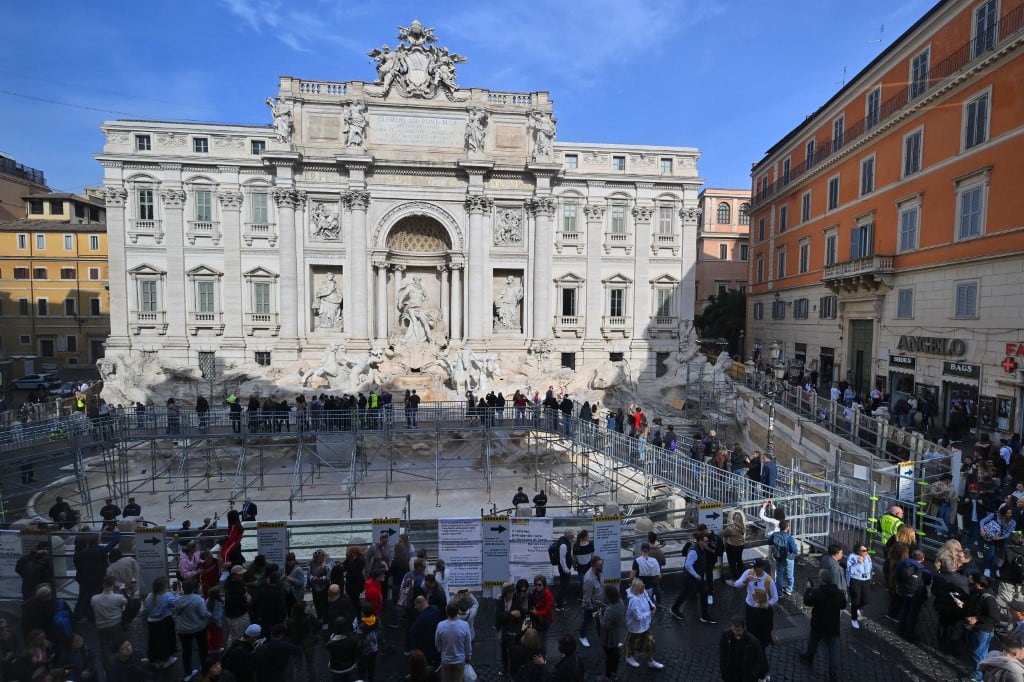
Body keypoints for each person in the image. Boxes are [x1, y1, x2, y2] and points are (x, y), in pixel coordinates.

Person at [798, 569, 846, 682]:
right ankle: (833, 674)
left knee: (813, 642)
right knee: (833, 650)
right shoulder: (838, 593)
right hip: (833, 625)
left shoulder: (817, 592)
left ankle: (809, 656)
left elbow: (807, 601)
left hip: (818, 623)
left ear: (823, 580)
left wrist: (808, 589)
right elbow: (843, 605)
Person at [671, 533, 715, 623]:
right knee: (684, 594)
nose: (708, 543)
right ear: (700, 541)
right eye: (706, 541)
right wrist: (696, 575)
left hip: (698, 577)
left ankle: (705, 616)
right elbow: (688, 565)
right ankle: (674, 609)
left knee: (704, 592)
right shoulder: (694, 551)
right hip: (691, 578)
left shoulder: (702, 549)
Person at [964, 573, 1001, 681]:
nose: (969, 581)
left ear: (978, 584)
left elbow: (995, 618)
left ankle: (977, 677)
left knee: (979, 654)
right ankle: (976, 673)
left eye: (972, 580)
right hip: (977, 628)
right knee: (977, 653)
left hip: (984, 630)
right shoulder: (977, 592)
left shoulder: (988, 598)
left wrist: (977, 618)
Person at [623, 578, 664, 670]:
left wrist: (653, 606)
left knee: (650, 642)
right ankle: (628, 657)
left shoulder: (642, 591)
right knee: (632, 643)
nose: (644, 587)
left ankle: (651, 661)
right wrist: (650, 612)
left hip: (645, 625)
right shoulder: (633, 601)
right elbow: (638, 617)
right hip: (636, 628)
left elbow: (648, 599)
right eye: (642, 587)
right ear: (637, 589)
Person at [895, 549, 931, 641]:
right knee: (913, 614)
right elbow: (927, 582)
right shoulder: (924, 571)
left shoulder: (902, 563)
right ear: (922, 559)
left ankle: (900, 627)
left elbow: (896, 575)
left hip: (904, 591)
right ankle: (909, 633)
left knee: (905, 608)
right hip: (917, 595)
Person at [718, 615, 767, 682]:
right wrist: (723, 670)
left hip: (745, 676)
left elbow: (760, 659)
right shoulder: (726, 635)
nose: (735, 632)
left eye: (738, 630)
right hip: (730, 674)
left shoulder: (753, 641)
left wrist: (753, 675)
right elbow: (722, 653)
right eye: (734, 629)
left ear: (744, 628)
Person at [434, 601, 472, 682]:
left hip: (446, 660)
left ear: (446, 612)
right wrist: (468, 656)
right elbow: (468, 643)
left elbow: (437, 642)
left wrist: (441, 650)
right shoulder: (465, 625)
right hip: (460, 660)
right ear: (458, 612)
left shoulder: (440, 625)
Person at [598, 583, 624, 680]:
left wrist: (600, 615)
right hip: (616, 634)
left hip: (608, 638)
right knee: (615, 654)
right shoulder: (620, 602)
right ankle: (614, 672)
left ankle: (608, 675)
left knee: (609, 657)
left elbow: (604, 625)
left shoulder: (610, 611)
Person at [846, 542, 873, 629]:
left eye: (867, 550)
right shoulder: (852, 557)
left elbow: (870, 567)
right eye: (864, 550)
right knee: (855, 601)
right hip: (855, 580)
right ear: (858, 551)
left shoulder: (868, 556)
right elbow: (851, 571)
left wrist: (870, 578)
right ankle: (854, 619)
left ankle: (858, 607)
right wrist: (858, 563)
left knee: (866, 600)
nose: (866, 552)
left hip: (866, 580)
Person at [578, 555, 602, 648]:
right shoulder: (589, 579)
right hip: (591, 606)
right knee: (587, 620)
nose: (601, 566)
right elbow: (587, 596)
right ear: (594, 565)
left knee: (599, 621)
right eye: (599, 565)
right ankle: (582, 636)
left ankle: (603, 636)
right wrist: (591, 607)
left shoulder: (597, 572)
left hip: (598, 604)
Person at [326, 617, 359, 682]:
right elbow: (356, 653)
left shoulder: (330, 643)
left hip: (336, 669)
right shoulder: (352, 639)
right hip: (350, 666)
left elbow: (328, 647)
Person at [769, 520, 798, 596]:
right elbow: (795, 550)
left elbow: (769, 542)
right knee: (790, 575)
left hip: (779, 557)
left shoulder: (774, 534)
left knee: (779, 575)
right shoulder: (790, 538)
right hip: (789, 558)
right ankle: (789, 589)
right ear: (787, 528)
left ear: (779, 527)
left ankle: (779, 591)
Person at [722, 510, 748, 584]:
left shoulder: (729, 529)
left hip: (731, 547)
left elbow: (723, 534)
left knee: (732, 563)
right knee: (739, 561)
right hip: (740, 546)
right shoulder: (743, 527)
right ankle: (743, 578)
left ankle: (735, 579)